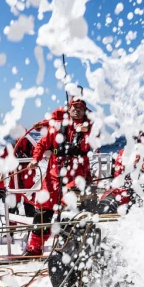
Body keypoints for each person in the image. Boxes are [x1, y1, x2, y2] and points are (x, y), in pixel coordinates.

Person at [25, 97, 93, 255]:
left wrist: (86, 130)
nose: (77, 109)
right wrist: (35, 159)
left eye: (80, 108)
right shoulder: (57, 127)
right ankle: (35, 248)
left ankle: (67, 249)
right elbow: (42, 144)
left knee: (70, 213)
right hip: (53, 176)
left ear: (85, 112)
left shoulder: (90, 129)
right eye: (74, 107)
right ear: (68, 109)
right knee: (42, 212)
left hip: (75, 178)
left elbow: (94, 141)